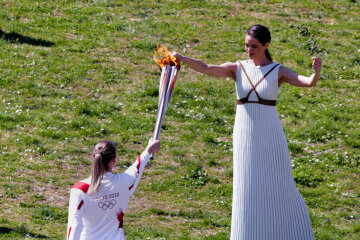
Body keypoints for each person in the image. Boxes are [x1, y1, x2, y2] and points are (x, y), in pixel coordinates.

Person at [173, 24, 322, 240]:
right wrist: (182, 58)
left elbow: (307, 82)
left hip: (270, 136)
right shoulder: (238, 68)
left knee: (277, 184)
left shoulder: (277, 71)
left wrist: (315, 73)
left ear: (266, 45)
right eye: (246, 45)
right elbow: (206, 67)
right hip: (244, 135)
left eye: (254, 46)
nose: (249, 50)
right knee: (247, 187)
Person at [66, 139, 160, 240]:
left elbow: (74, 225)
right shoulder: (123, 182)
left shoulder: (80, 189)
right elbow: (137, 167)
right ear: (114, 160)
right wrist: (149, 149)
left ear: (93, 157)